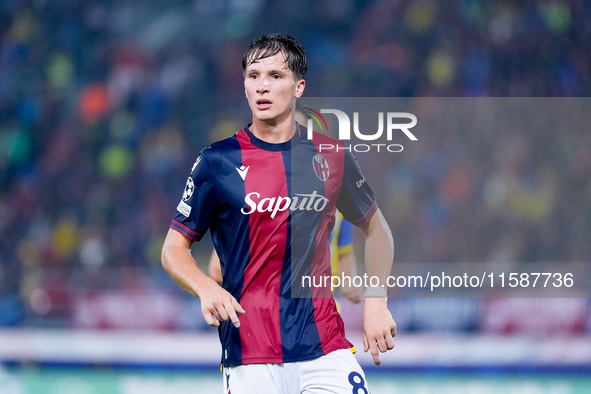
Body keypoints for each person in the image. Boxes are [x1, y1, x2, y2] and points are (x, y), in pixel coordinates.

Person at [161, 33, 396, 394]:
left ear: (299, 87)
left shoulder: (332, 156)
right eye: (253, 76)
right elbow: (173, 249)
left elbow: (377, 230)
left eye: (275, 76)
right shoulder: (216, 162)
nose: (262, 86)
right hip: (249, 353)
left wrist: (376, 298)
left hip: (324, 347)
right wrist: (207, 288)